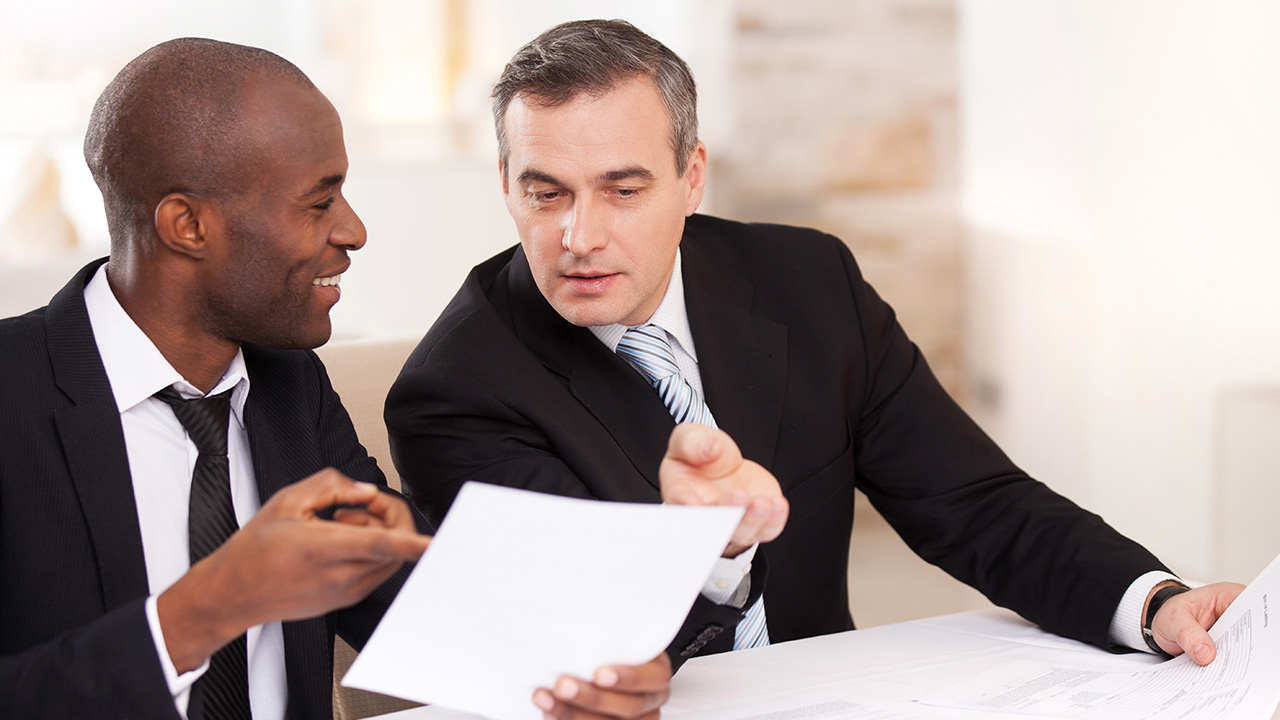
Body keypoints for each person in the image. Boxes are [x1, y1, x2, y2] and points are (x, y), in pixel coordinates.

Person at [386, 18, 1244, 669]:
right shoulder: (454, 389)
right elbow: (579, 650)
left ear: (692, 176)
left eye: (622, 189)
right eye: (547, 194)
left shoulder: (807, 280)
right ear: (504, 183)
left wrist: (1153, 601)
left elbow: (975, 504)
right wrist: (713, 546)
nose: (579, 235)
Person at [0, 37, 784, 720]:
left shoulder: (286, 386)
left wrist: (593, 664)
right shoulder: (16, 394)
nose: (354, 231)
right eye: (318, 203)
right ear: (188, 225)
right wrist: (212, 605)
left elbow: (416, 604)